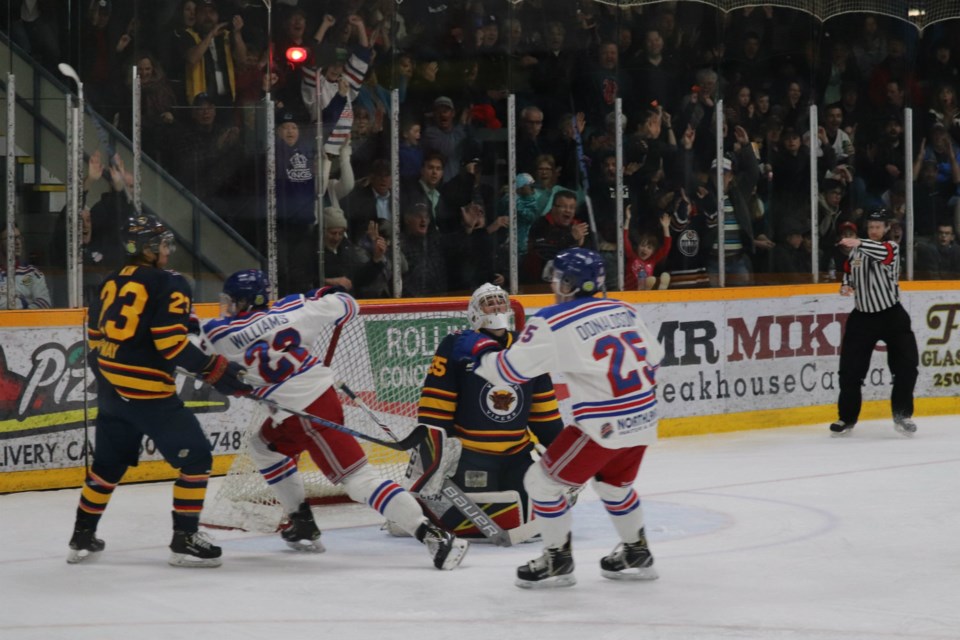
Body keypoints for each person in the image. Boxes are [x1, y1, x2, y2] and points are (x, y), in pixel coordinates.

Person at [199, 269, 468, 569]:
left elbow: (198, 349)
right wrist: (324, 293)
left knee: (358, 480)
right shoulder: (296, 308)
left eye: (233, 301)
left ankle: (432, 535)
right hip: (315, 400)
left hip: (303, 411)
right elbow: (347, 305)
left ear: (246, 302)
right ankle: (301, 521)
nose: (229, 306)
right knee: (263, 446)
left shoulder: (221, 333)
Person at [469, 248, 663, 588]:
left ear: (572, 283)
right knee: (613, 485)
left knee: (540, 484)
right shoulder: (625, 309)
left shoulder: (551, 320)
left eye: (558, 277)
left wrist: (479, 351)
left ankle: (558, 561)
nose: (554, 284)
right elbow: (655, 359)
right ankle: (636, 551)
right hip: (644, 417)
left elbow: (508, 372)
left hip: (601, 426)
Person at [67, 214, 251, 567]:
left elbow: (94, 342)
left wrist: (115, 379)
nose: (168, 249)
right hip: (148, 395)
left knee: (107, 465)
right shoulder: (171, 283)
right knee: (197, 459)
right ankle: (184, 540)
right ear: (148, 249)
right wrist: (216, 371)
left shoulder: (110, 281)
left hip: (110, 392)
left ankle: (81, 535)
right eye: (163, 244)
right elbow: (171, 345)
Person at [411, 283, 564, 538]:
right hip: (472, 455)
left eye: (500, 301)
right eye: (488, 302)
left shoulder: (527, 348)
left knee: (534, 516)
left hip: (518, 455)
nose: (496, 307)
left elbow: (544, 414)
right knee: (465, 523)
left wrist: (564, 455)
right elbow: (436, 406)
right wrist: (434, 456)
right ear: (474, 312)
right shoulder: (456, 346)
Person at [831, 208, 919, 437]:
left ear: (886, 228)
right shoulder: (856, 253)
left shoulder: (891, 247)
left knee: (906, 367)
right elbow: (849, 273)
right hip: (862, 317)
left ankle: (902, 415)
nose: (874, 231)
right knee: (850, 371)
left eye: (878, 227)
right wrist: (845, 285)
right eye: (871, 227)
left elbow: (883, 254)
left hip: (892, 315)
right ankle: (846, 419)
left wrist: (858, 241)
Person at [0, 224, 51, 309]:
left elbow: (44, 303)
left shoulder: (31, 273)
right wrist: (22, 303)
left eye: (19, 238)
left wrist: (21, 316)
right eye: (11, 238)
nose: (17, 242)